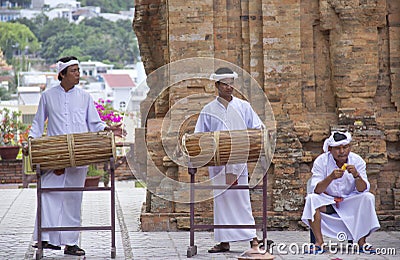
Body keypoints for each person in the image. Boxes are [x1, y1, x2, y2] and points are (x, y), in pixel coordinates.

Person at [27, 56, 123, 256]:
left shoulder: (85, 96)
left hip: (80, 154)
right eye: (74, 70)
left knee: (73, 198)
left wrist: (108, 128)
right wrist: (31, 142)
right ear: (62, 74)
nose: (78, 74)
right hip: (55, 154)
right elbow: (37, 124)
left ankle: (71, 243)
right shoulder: (47, 96)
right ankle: (47, 239)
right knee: (48, 193)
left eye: (79, 70)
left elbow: (94, 123)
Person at [194, 67, 268, 254]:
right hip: (218, 165)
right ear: (217, 85)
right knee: (221, 202)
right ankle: (224, 242)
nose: (229, 87)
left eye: (231, 83)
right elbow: (199, 135)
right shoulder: (208, 109)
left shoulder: (243, 106)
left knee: (242, 200)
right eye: (225, 84)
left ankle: (253, 240)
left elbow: (258, 128)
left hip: (239, 162)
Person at [301, 131, 380, 254]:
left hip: (349, 201)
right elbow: (316, 189)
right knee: (311, 199)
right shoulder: (321, 161)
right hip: (328, 201)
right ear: (330, 149)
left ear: (350, 147)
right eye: (338, 148)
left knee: (368, 197)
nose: (342, 151)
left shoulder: (357, 161)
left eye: (345, 147)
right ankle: (319, 243)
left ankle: (362, 242)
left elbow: (363, 189)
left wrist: (356, 176)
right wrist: (330, 178)